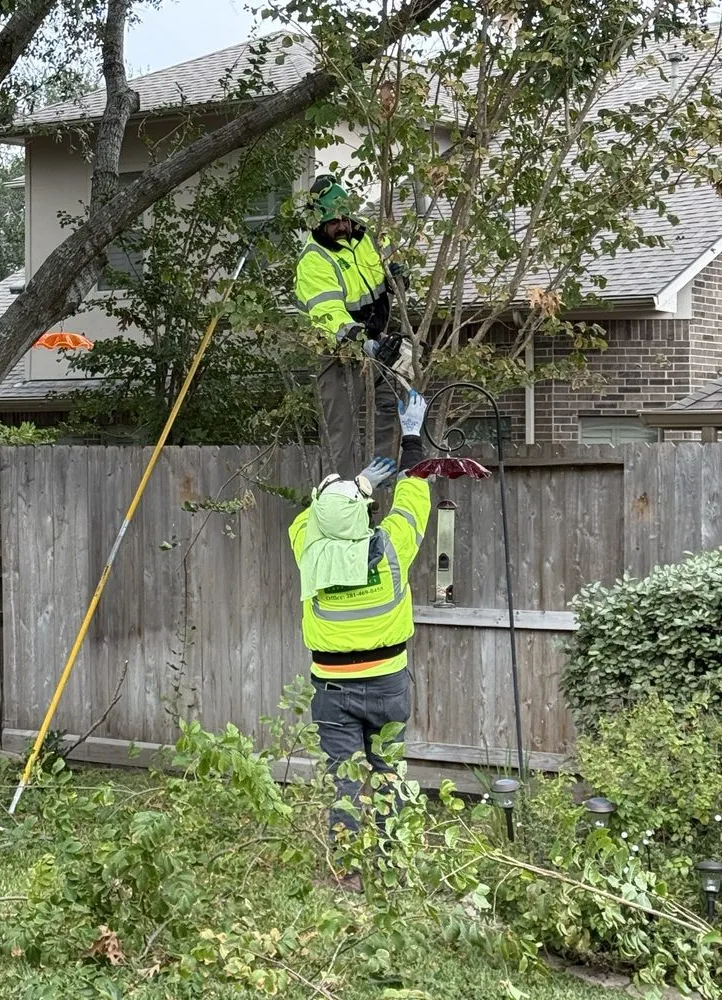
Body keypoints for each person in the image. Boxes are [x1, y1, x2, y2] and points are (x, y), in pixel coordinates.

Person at [288, 390, 430, 892]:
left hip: (332, 688)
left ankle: (347, 872)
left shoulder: (308, 548)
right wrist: (410, 437)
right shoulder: (392, 546)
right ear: (369, 512)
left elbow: (314, 516)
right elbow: (416, 495)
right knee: (389, 772)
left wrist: (352, 488)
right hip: (389, 682)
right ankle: (392, 864)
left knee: (345, 779)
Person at [295, 174, 406, 477]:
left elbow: (383, 275)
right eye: (334, 222)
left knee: (394, 405)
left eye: (344, 218)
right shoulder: (314, 259)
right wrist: (359, 340)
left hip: (378, 339)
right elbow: (327, 312)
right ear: (319, 224)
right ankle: (340, 495)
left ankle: (382, 476)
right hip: (339, 354)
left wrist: (397, 277)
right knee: (340, 432)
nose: (342, 226)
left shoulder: (366, 239)